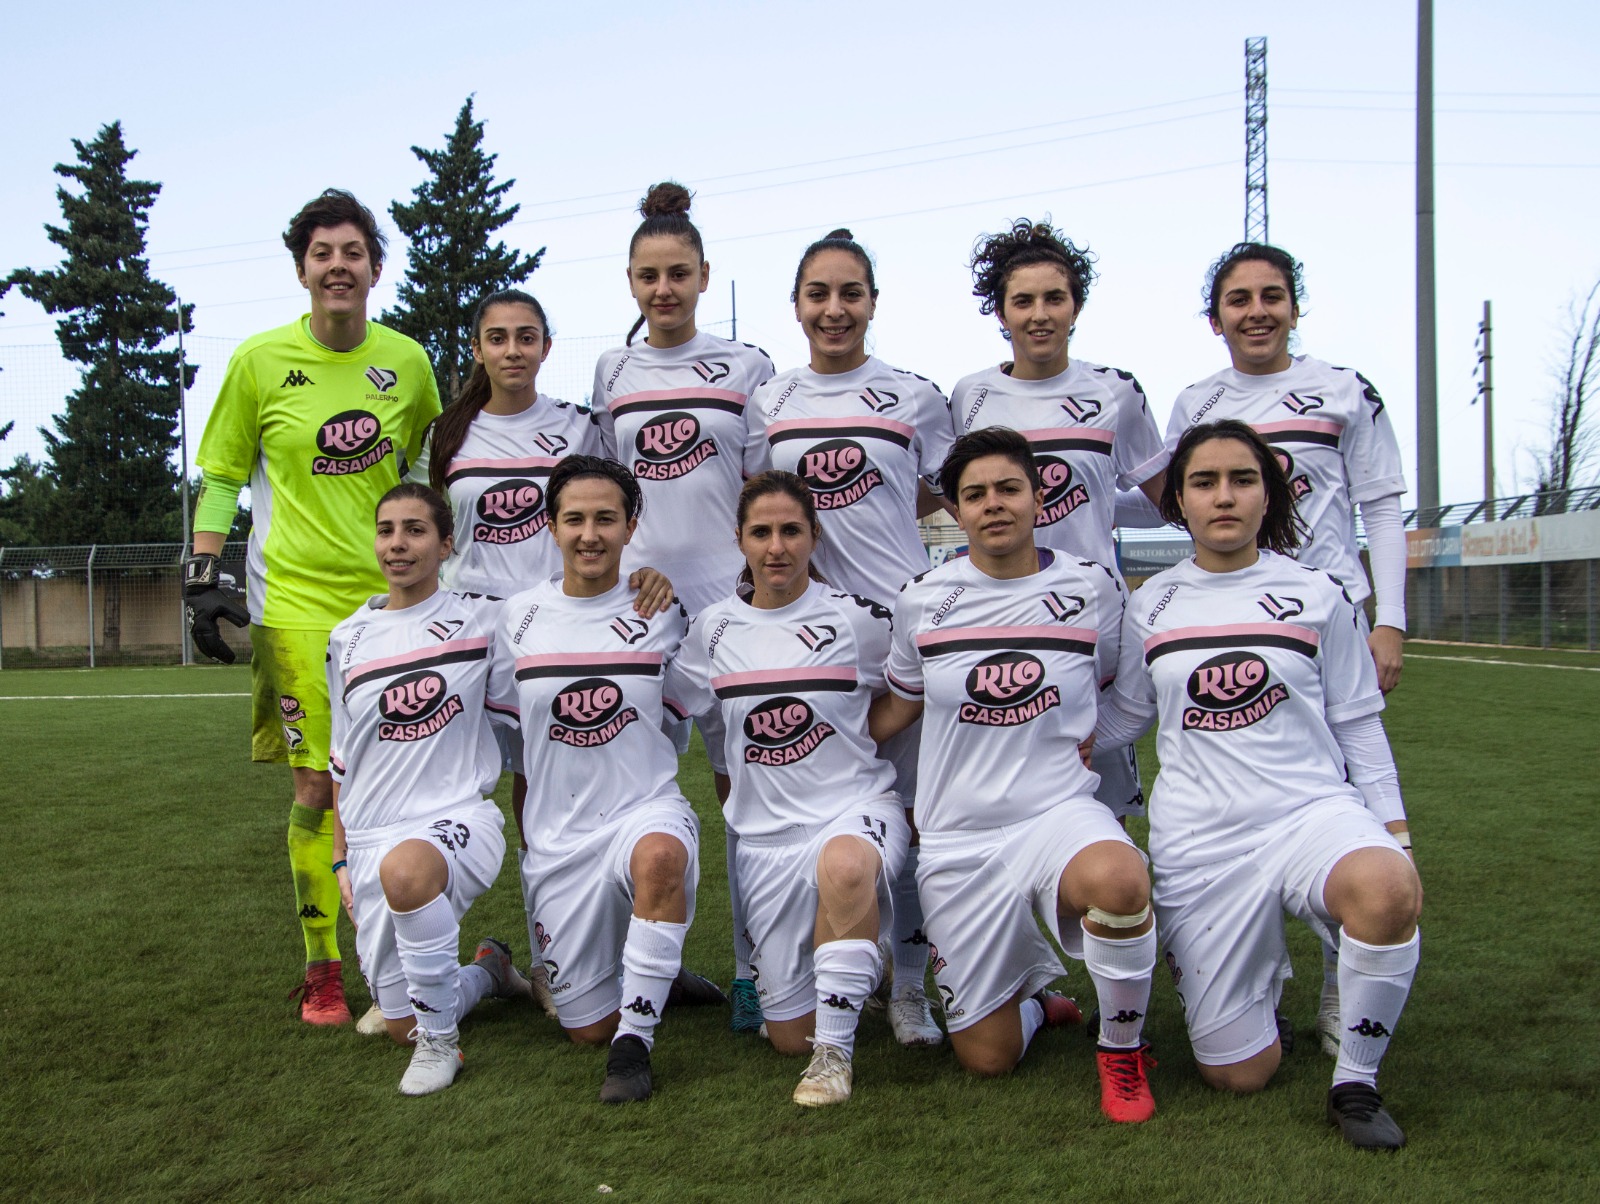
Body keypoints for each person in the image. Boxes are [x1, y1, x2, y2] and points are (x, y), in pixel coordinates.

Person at [1096, 420, 1421, 1149]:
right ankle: (1262, 983)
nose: (1224, 497)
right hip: (1200, 843)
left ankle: (1356, 1085)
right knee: (1238, 1073)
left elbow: (1359, 723)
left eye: (1242, 479)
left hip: (1309, 816)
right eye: (1204, 482)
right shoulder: (1149, 606)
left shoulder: (1317, 592)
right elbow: (1123, 716)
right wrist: (1039, 742)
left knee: (1388, 889)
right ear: (1178, 499)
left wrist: (1395, 833)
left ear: (1268, 492)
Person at [185, 189, 441, 1025]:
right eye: (323, 252)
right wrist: (201, 571)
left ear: (374, 267)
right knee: (316, 791)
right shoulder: (260, 362)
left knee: (401, 786)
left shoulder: (407, 363)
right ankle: (324, 968)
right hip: (292, 604)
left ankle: (403, 961)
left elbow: (431, 474)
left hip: (391, 605)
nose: (339, 265)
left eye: (354, 251)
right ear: (303, 269)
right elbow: (222, 474)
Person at [870, 427, 1158, 1123]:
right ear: (955, 510)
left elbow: (1128, 695)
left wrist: (1094, 739)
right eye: (974, 494)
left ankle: (1122, 1049)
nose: (993, 504)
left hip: (1057, 813)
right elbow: (902, 706)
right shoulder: (921, 599)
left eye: (1008, 488)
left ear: (1038, 497)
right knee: (988, 1059)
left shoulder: (1091, 587)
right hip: (959, 840)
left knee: (1121, 880)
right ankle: (1033, 1007)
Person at [1167, 242, 1409, 1056]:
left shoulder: (1342, 388)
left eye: (1273, 295)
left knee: (1342, 793)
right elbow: (1183, 509)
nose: (1257, 310)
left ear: (1295, 307)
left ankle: (1349, 978)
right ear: (1216, 318)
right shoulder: (1196, 401)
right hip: (1227, 616)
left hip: (1323, 622)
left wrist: (1390, 618)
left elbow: (1380, 502)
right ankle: (1244, 962)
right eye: (1239, 299)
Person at [411, 289, 672, 1015]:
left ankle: (562, 958)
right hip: (472, 637)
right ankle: (432, 961)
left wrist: (640, 568)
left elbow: (614, 505)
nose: (513, 350)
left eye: (527, 337)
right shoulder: (448, 433)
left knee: (552, 795)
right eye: (498, 337)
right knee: (454, 794)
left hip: (561, 630)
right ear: (477, 349)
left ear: (546, 347)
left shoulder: (578, 426)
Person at [749, 229, 957, 1048]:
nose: (834, 310)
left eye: (851, 293)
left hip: (898, 633)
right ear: (797, 305)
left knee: (908, 811)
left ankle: (909, 987)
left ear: (873, 301)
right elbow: (759, 509)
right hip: (805, 639)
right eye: (818, 294)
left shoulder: (914, 395)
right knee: (799, 803)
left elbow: (952, 492)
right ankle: (793, 968)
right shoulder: (769, 401)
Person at [664, 471, 912, 1106]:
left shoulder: (860, 621)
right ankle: (863, 963)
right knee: (785, 1036)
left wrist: (856, 737)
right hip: (766, 842)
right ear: (740, 541)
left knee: (847, 864)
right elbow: (671, 706)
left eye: (791, 531)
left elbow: (909, 691)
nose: (777, 547)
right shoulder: (711, 631)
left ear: (815, 536)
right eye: (762, 532)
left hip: (853, 808)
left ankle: (834, 1060)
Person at [591, 182, 775, 1032]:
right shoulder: (613, 372)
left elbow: (762, 494)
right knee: (633, 798)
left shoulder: (746, 368)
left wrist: (751, 582)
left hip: (732, 614)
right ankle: (636, 976)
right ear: (629, 282)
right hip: (642, 618)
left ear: (704, 276)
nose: (662, 290)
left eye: (677, 274)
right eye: (646, 276)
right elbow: (605, 491)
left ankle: (751, 970)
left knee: (746, 795)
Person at [489, 455, 701, 1103]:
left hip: (643, 809)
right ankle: (648, 974)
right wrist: (532, 851)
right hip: (560, 841)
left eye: (606, 518)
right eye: (574, 518)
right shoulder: (516, 619)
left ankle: (634, 1046)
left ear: (631, 525)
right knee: (585, 1028)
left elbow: (678, 717)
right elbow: (518, 753)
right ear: (550, 527)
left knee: (661, 855)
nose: (590, 534)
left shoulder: (661, 609)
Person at [948, 218, 1169, 825]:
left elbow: (1160, 499)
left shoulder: (1115, 391)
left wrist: (1094, 503)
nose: (1039, 314)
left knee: (1097, 785)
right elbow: (958, 495)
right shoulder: (970, 395)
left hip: (1092, 616)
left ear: (1076, 307)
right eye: (1023, 300)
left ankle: (1107, 908)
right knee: (1000, 776)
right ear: (1001, 312)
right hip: (997, 614)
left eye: (1054, 298)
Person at [326, 484, 533, 1094]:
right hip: (369, 838)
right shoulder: (348, 639)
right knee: (399, 1024)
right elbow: (343, 762)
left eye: (415, 530)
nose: (398, 544)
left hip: (457, 819)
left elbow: (567, 610)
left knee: (410, 872)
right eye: (387, 530)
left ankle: (445, 1047)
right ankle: (489, 974)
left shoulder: (485, 618)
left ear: (446, 544)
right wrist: (340, 857)